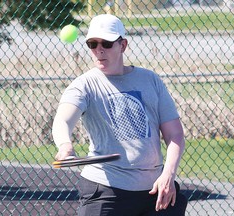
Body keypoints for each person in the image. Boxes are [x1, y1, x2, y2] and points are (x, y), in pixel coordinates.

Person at [52, 14, 187, 216]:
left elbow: (175, 134)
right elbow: (63, 119)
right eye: (92, 43)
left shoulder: (150, 80)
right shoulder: (84, 85)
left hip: (155, 190)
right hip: (106, 190)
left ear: (122, 45)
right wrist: (65, 145)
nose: (99, 49)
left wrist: (168, 174)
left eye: (106, 43)